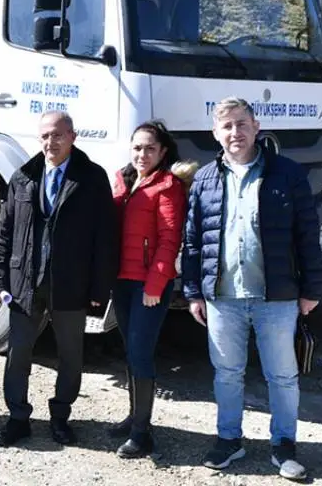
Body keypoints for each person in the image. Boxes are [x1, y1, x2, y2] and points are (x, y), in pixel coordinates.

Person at [182, 96, 322, 481]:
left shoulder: (287, 174)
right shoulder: (205, 179)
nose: (235, 133)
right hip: (222, 297)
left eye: (241, 124)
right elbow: (193, 240)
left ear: (256, 127)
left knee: (282, 375)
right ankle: (230, 440)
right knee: (226, 373)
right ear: (215, 133)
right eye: (226, 126)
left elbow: (307, 236)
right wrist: (194, 291)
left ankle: (284, 446)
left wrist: (311, 288)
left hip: (275, 297)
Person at [0, 110, 117, 447]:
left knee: (70, 356)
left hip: (70, 285)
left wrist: (98, 288)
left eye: (58, 135)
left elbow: (105, 237)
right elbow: (4, 233)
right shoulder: (23, 177)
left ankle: (61, 417)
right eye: (45, 136)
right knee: (18, 354)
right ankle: (17, 418)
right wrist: (1, 281)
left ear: (72, 137)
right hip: (24, 285)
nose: (51, 142)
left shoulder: (92, 178)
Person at [107, 121, 195, 458]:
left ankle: (143, 434)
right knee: (131, 351)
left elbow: (170, 240)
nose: (142, 154)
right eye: (137, 147)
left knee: (142, 354)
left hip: (148, 285)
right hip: (122, 280)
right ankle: (134, 417)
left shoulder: (168, 186)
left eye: (150, 148)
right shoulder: (125, 180)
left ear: (162, 152)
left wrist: (156, 284)